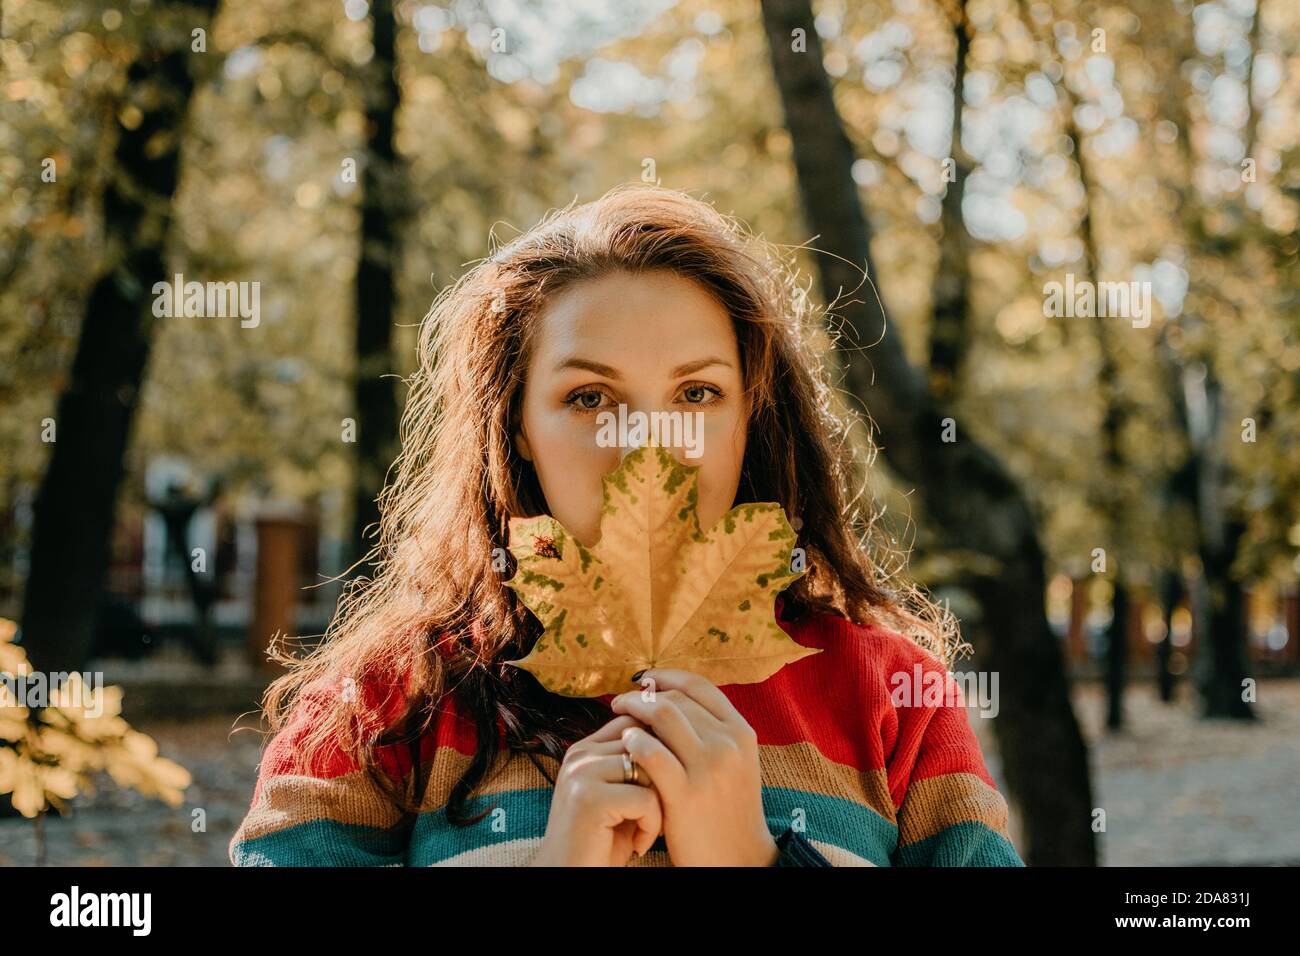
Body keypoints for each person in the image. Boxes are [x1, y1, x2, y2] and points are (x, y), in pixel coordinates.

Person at [229, 183, 1025, 867]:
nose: (647, 446)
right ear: (516, 429)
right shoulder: (384, 703)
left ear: (753, 417)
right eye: (590, 399)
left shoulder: (891, 696)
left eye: (696, 395)